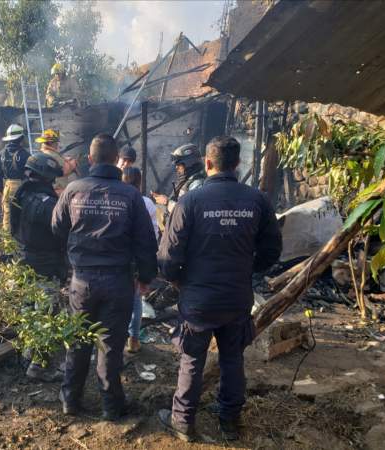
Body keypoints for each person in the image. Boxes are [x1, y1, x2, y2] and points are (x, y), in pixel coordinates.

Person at [156, 136, 282, 442]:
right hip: (236, 298)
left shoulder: (190, 202)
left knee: (192, 360)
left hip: (198, 299)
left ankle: (183, 421)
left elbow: (168, 256)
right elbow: (272, 251)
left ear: (208, 163)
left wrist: (178, 280)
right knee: (232, 359)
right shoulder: (257, 201)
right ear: (237, 164)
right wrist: (246, 268)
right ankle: (230, 421)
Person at [51, 133, 157, 421]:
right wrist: (146, 276)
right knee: (110, 345)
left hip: (82, 281)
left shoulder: (73, 189)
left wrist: (71, 256)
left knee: (79, 341)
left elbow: (57, 228)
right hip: (118, 282)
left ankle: (70, 401)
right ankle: (111, 406)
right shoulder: (131, 195)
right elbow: (146, 241)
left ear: (89, 158)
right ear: (116, 161)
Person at [9, 152, 67, 382]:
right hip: (44, 267)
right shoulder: (46, 204)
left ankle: (26, 355)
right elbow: (63, 230)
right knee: (47, 316)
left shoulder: (21, 194)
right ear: (46, 176)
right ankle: (39, 366)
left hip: (23, 261)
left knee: (28, 311)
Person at [121, 167, 158, 354]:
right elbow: (153, 234)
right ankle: (133, 340)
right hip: (137, 259)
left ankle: (113, 340)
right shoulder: (147, 203)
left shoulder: (117, 200)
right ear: (139, 182)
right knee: (135, 302)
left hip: (119, 258)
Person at [151, 143, 206, 218]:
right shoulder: (186, 181)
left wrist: (167, 202)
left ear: (189, 163)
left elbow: (189, 213)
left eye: (179, 165)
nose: (176, 168)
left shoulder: (197, 184)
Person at [0, 124, 31, 231]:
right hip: (22, 186)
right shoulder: (25, 154)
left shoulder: (1, 154)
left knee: (7, 215)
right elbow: (31, 173)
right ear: (21, 138)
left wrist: (1, 190)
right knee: (24, 213)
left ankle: (8, 244)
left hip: (7, 187)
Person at [35, 128, 78, 193]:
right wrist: (72, 163)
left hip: (47, 190)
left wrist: (64, 160)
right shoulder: (53, 155)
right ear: (51, 143)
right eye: (56, 142)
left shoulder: (41, 154)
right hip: (58, 191)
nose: (57, 144)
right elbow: (65, 170)